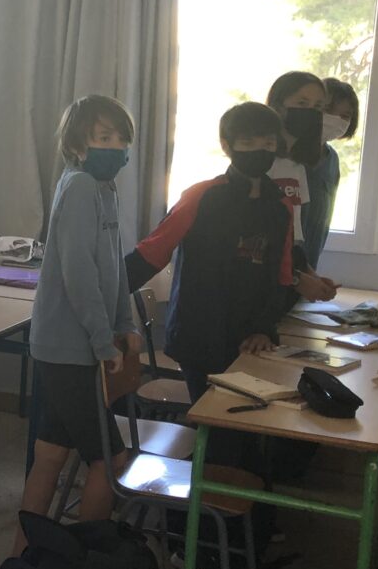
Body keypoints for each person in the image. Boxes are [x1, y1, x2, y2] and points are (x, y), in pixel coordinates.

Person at [17, 96, 141, 549]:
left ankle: (22, 559)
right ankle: (85, 564)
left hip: (79, 345)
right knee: (111, 461)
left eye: (122, 139)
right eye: (104, 137)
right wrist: (103, 340)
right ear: (77, 145)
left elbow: (115, 265)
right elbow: (79, 274)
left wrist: (125, 321)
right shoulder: (81, 186)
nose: (116, 147)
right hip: (68, 347)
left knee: (51, 453)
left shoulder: (105, 188)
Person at [125, 102, 295, 405]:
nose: (260, 150)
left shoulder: (281, 207)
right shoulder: (201, 196)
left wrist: (264, 329)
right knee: (213, 419)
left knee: (252, 420)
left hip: (252, 340)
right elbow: (151, 254)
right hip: (200, 335)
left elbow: (281, 275)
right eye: (248, 142)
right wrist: (102, 296)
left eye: (268, 143)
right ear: (227, 146)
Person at [265, 71, 338, 300]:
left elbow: (293, 237)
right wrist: (297, 279)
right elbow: (254, 241)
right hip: (260, 286)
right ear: (278, 107)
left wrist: (311, 276)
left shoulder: (297, 166)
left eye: (318, 107)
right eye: (302, 103)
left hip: (285, 283)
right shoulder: (261, 162)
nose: (310, 113)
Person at [304, 77, 360, 267]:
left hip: (311, 258)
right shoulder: (288, 156)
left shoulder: (332, 160)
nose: (336, 119)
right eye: (328, 110)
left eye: (345, 115)